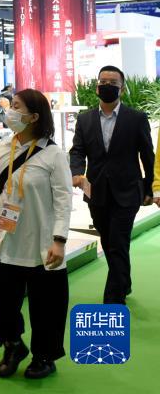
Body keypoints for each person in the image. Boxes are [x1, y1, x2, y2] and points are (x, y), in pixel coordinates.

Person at [0, 89, 72, 381]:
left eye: (16, 107)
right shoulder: (3, 148)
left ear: (34, 117)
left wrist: (59, 240)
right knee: (3, 303)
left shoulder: (53, 155)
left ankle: (44, 356)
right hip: (3, 241)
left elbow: (63, 200)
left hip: (41, 245)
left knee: (46, 306)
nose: (9, 111)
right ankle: (13, 345)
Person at [69, 65, 154, 305]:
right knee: (109, 243)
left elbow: (148, 155)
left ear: (122, 89)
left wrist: (149, 188)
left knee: (117, 242)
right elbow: (77, 151)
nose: (107, 86)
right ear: (97, 87)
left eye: (113, 83)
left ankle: (114, 301)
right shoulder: (84, 119)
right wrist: (76, 172)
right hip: (96, 193)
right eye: (102, 82)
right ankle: (123, 281)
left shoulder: (136, 118)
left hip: (127, 192)